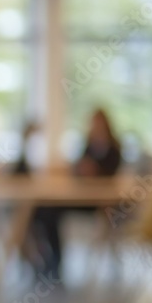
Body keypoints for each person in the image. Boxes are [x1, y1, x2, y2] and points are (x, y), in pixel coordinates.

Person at [29, 108, 122, 282]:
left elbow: (112, 176)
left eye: (98, 122)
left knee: (48, 211)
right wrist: (81, 169)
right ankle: (50, 259)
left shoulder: (114, 149)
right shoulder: (88, 145)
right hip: (78, 196)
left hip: (99, 202)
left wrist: (96, 171)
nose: (95, 126)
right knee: (44, 210)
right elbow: (76, 170)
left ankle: (53, 261)